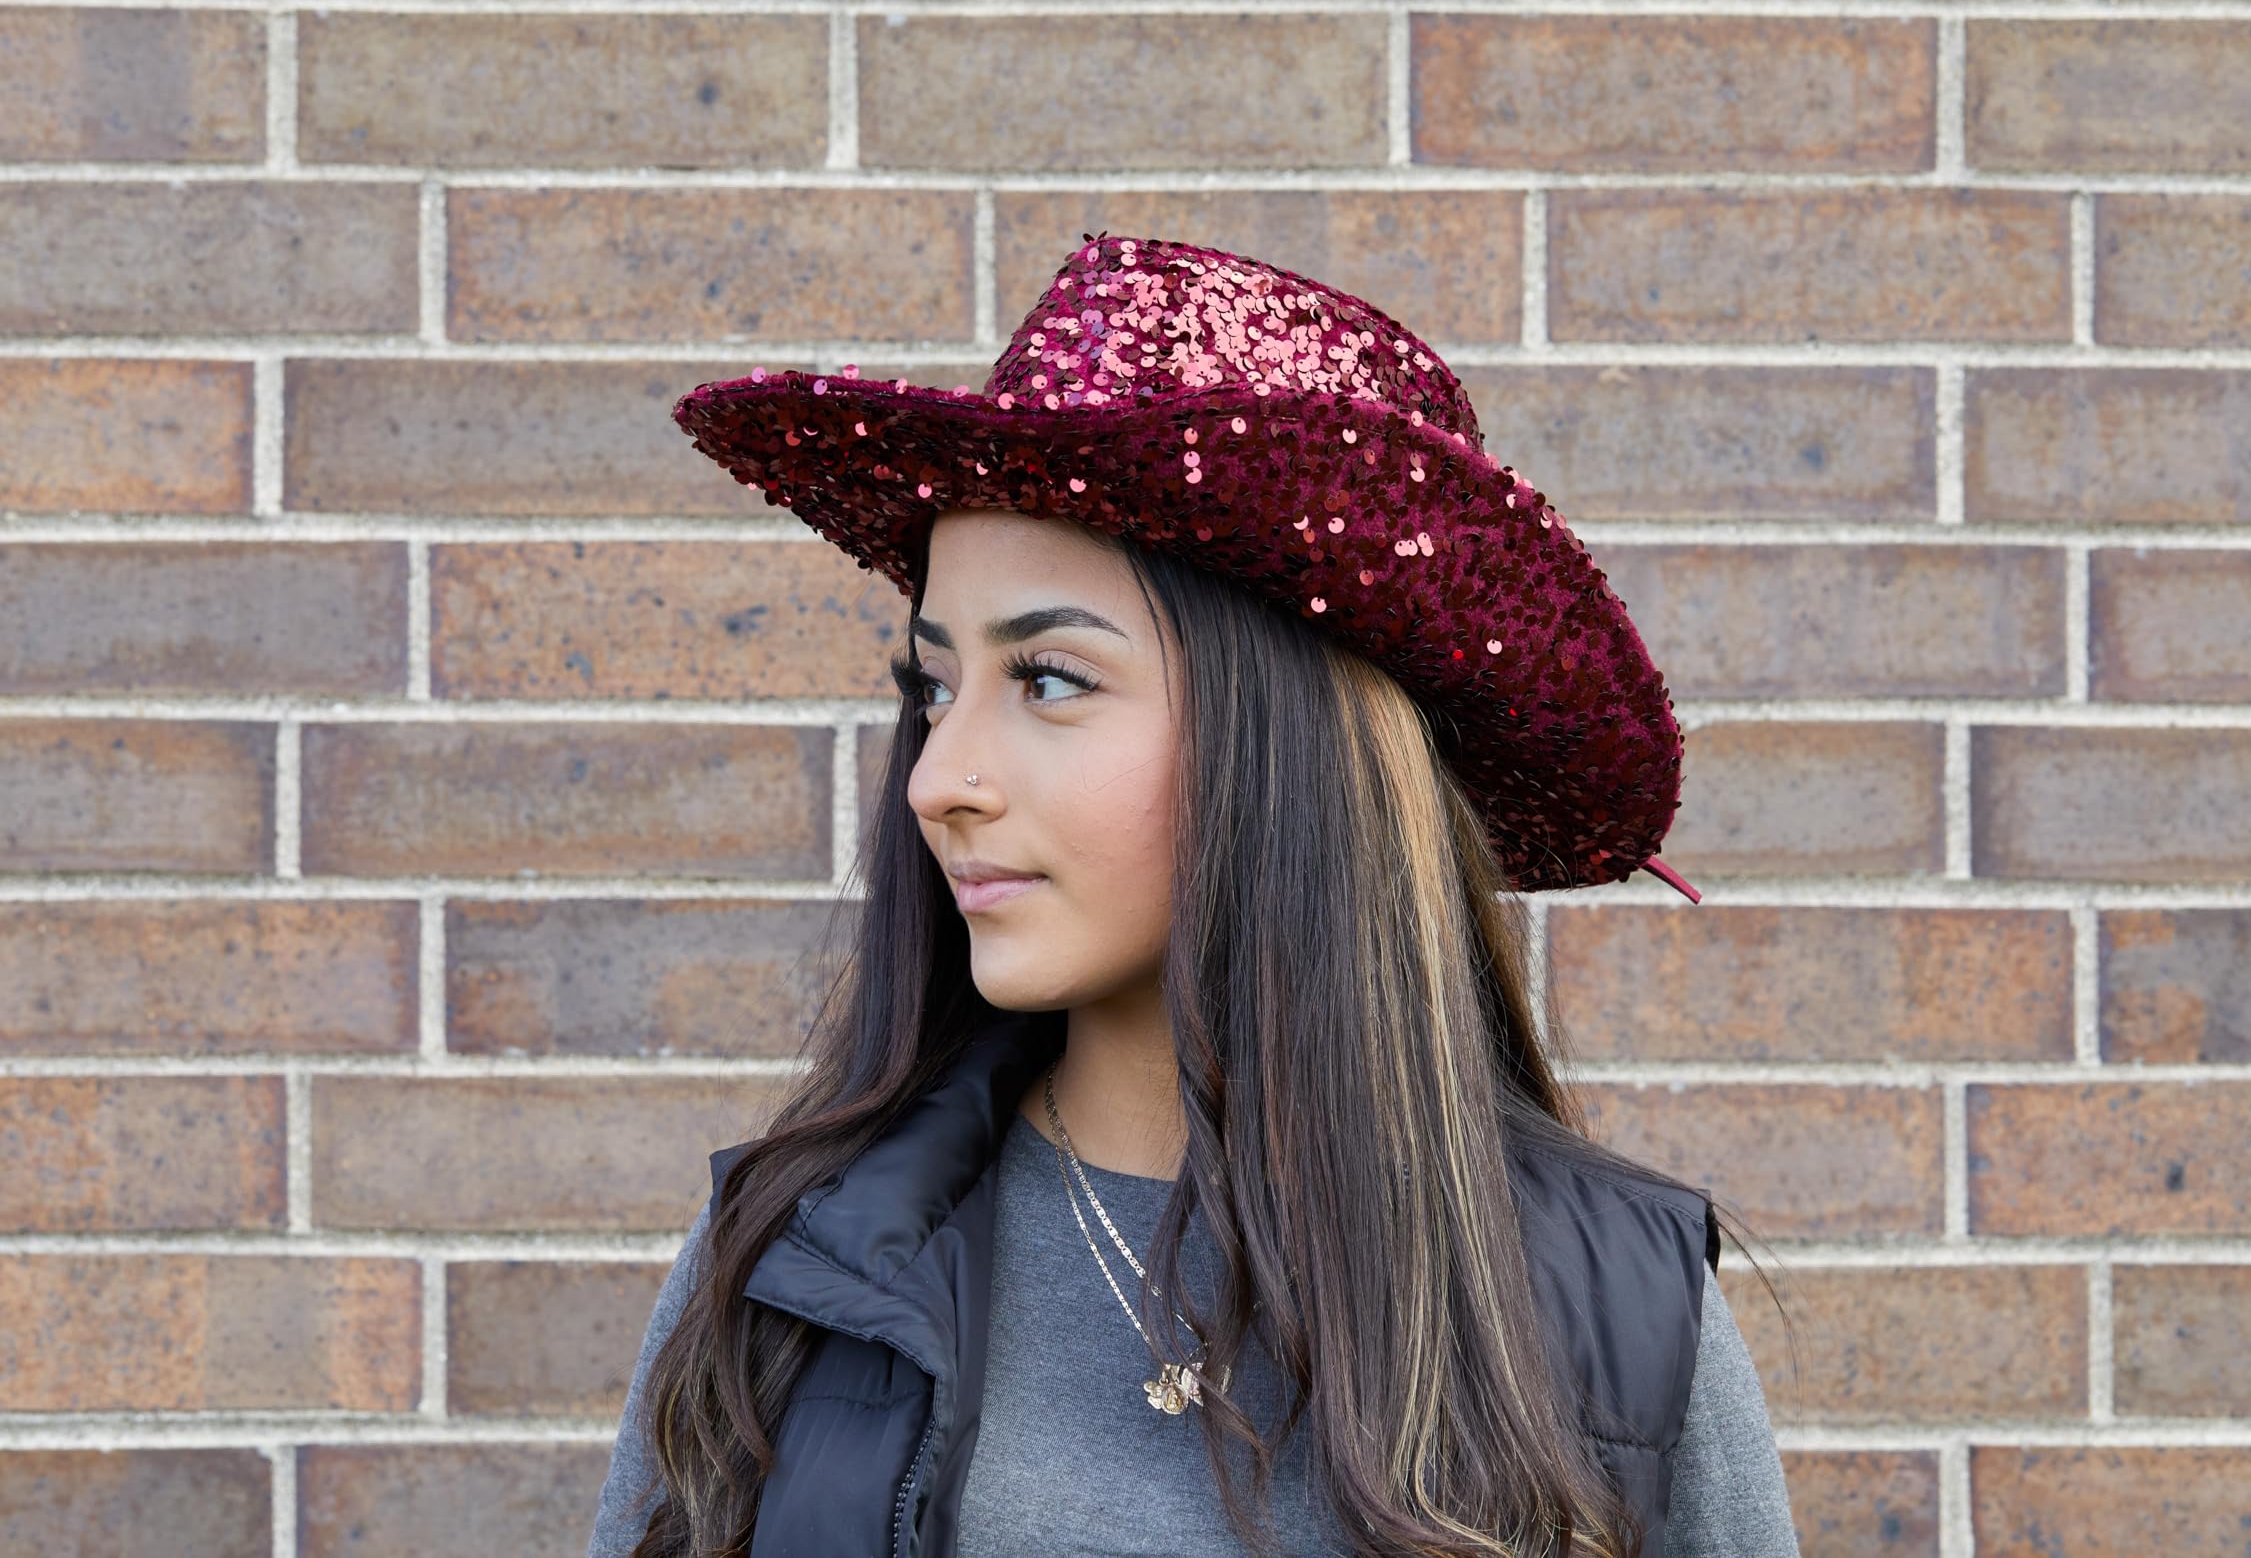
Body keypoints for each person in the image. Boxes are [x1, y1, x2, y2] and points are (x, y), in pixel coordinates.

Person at [587, 234, 1801, 1557]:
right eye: (935, 687)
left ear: (1288, 749)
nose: (941, 777)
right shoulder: (792, 1264)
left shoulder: (1608, 1306)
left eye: (1049, 678)